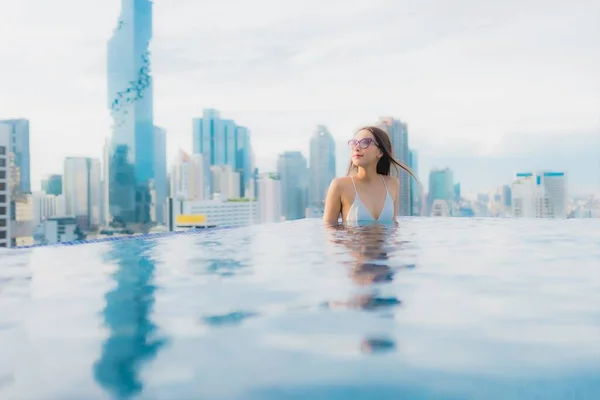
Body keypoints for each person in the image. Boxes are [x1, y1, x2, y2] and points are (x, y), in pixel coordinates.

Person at [323, 126, 418, 224]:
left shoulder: (393, 184)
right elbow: (329, 230)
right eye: (354, 143)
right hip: (351, 239)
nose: (356, 148)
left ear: (380, 152)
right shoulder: (339, 185)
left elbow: (394, 227)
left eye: (365, 142)